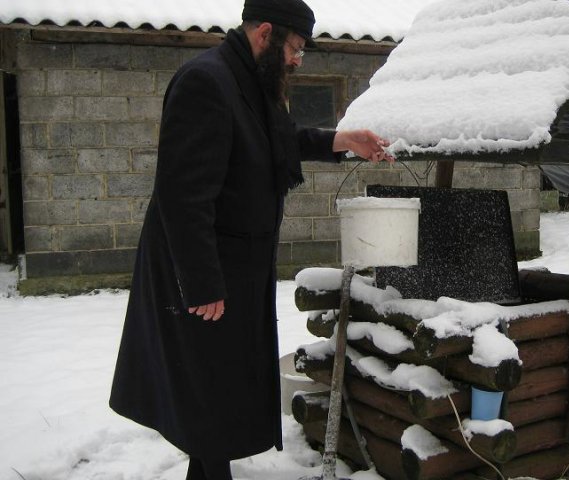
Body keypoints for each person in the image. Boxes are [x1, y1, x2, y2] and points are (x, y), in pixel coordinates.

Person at [109, 0, 393, 478]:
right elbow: (182, 196)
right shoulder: (206, 82)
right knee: (206, 380)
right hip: (204, 264)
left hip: (235, 264)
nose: (298, 60)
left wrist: (343, 141)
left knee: (217, 380)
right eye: (296, 49)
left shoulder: (248, 81)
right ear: (266, 33)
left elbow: (275, 139)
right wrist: (201, 283)